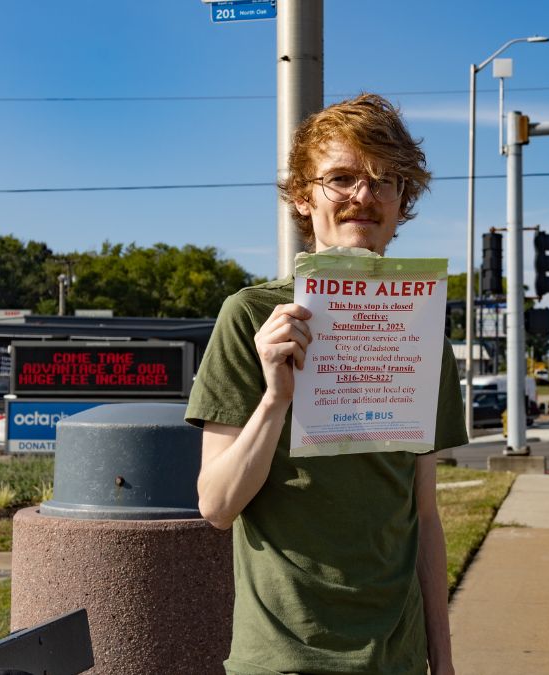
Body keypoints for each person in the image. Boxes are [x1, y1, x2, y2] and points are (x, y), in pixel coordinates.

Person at [186, 93, 467, 675]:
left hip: (399, 656)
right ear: (302, 195)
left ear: (400, 202)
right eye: (340, 178)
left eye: (384, 180)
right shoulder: (250, 317)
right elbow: (216, 505)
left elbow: (425, 517)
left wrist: (442, 660)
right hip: (286, 658)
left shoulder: (420, 328)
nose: (363, 195)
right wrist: (274, 398)